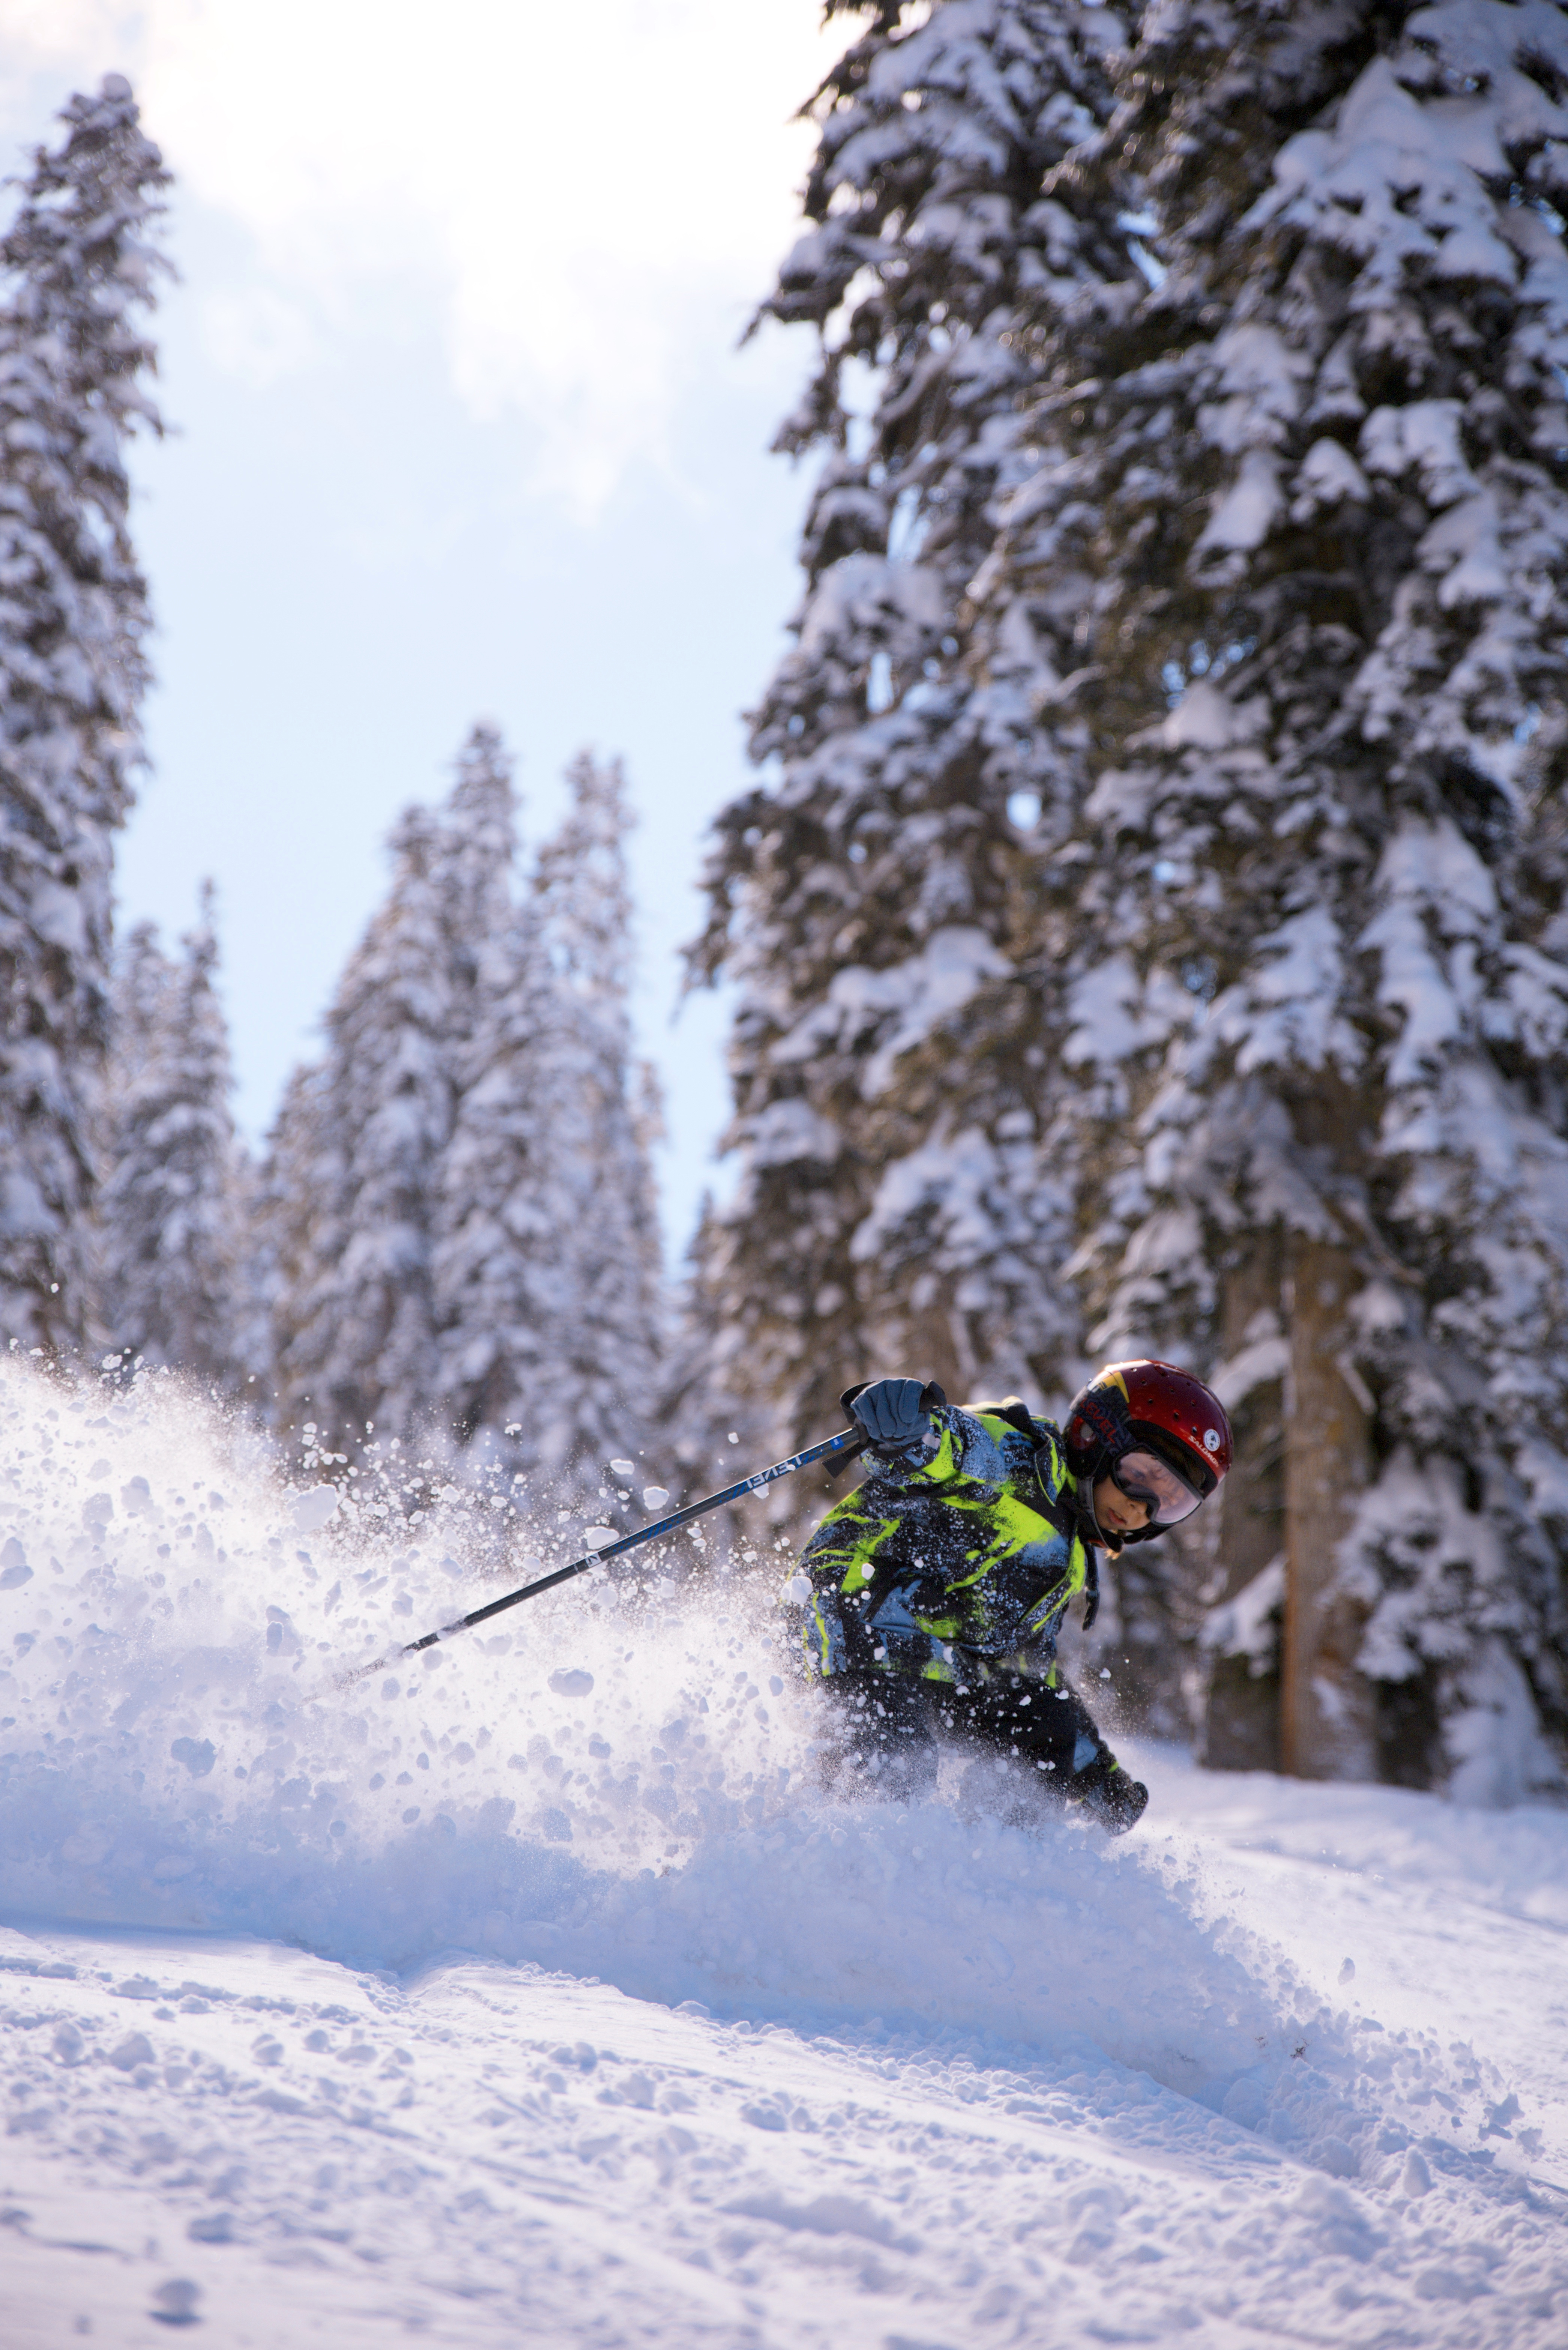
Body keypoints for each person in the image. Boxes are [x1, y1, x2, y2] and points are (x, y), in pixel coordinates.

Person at [782, 1360, 1232, 1834]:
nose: (1144, 1507)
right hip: (848, 1615)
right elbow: (955, 1445)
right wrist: (909, 1429)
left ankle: (997, 1859)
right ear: (1097, 1438)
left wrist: (1094, 1770)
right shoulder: (1022, 1460)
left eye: (1172, 1500)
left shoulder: (1069, 1553)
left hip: (930, 1654)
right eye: (1140, 1474)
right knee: (898, 1759)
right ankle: (837, 1848)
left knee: (1043, 1725)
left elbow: (1025, 1665)